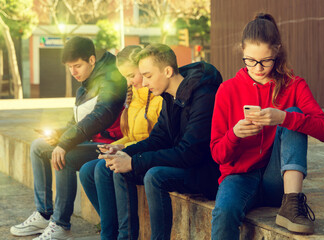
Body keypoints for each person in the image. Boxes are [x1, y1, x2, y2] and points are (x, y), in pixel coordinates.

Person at [210, 13, 324, 239]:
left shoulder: (294, 85)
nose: (258, 68)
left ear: (276, 52)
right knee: (224, 212)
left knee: (295, 114)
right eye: (250, 60)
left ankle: (291, 205)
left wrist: (284, 118)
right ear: (242, 51)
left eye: (265, 60)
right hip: (239, 176)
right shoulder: (227, 90)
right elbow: (218, 154)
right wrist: (234, 135)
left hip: (276, 180)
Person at [100, 43, 222, 239]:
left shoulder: (203, 95)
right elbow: (158, 138)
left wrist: (134, 161)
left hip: (205, 172)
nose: (145, 83)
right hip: (184, 165)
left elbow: (189, 152)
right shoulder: (169, 97)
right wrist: (125, 153)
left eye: (148, 76)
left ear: (167, 71)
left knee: (154, 176)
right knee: (120, 171)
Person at [10, 36, 127, 240]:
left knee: (65, 154)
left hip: (110, 145)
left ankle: (61, 224)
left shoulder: (111, 80)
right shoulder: (85, 83)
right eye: (70, 67)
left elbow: (100, 116)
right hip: (92, 140)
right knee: (39, 146)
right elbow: (79, 121)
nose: (73, 72)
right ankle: (44, 214)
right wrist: (60, 133)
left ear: (92, 60)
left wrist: (65, 142)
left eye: (77, 66)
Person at [79, 45, 163, 240]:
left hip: (147, 154)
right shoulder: (134, 98)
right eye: (125, 77)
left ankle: (118, 235)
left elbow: (154, 139)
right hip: (133, 149)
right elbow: (133, 135)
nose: (129, 82)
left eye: (131, 75)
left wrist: (124, 149)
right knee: (87, 171)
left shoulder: (158, 98)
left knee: (103, 169)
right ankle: (111, 228)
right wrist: (116, 145)